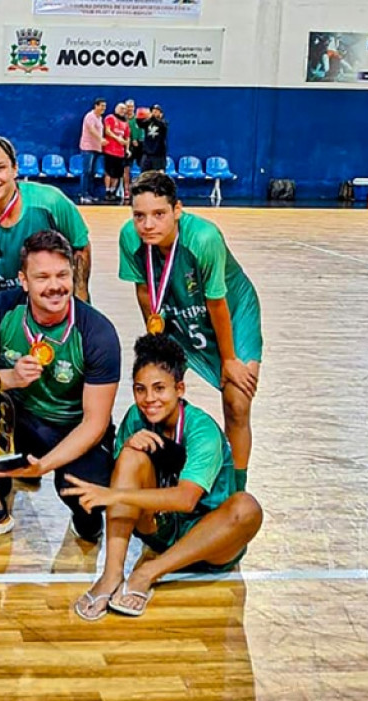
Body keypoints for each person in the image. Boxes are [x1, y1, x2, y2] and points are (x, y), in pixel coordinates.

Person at [0, 231, 120, 550]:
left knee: (86, 497)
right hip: (20, 420)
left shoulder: (98, 333)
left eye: (62, 275)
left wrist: (44, 466)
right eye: (42, 277)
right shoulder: (2, 308)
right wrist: (10, 378)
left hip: (72, 430)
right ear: (23, 280)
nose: (55, 286)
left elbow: (95, 423)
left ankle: (86, 520)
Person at [67, 334, 263, 620]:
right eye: (140, 389)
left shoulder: (202, 430)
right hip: (158, 530)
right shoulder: (136, 417)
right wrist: (130, 451)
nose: (149, 399)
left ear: (180, 388)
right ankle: (111, 576)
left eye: (159, 388)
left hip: (209, 543)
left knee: (247, 508)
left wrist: (113, 495)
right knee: (131, 455)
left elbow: (186, 499)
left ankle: (146, 574)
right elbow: (125, 476)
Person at [120, 171, 262, 491]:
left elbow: (217, 304)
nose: (148, 225)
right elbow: (144, 290)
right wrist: (156, 340)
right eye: (139, 216)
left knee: (237, 401)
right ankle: (163, 470)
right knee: (160, 383)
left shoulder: (204, 238)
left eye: (158, 214)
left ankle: (235, 490)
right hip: (174, 305)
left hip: (232, 309)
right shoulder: (130, 238)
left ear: (177, 210)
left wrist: (228, 361)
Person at [0, 134, 91, 308]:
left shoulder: (51, 201)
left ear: (15, 169)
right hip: (7, 302)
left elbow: (81, 247)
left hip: (54, 297)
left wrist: (81, 302)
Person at [78, 98, 106, 204]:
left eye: (105, 106)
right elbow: (91, 130)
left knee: (92, 173)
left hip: (96, 149)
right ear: (96, 106)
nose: (104, 108)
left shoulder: (100, 118)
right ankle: (83, 194)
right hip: (87, 148)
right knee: (86, 172)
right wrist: (101, 139)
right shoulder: (90, 116)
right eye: (102, 106)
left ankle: (90, 194)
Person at [103, 102, 130, 202]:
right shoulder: (110, 118)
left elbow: (127, 137)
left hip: (120, 153)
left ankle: (113, 191)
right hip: (110, 150)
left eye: (124, 109)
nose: (122, 111)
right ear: (116, 109)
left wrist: (127, 149)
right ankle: (107, 191)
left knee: (117, 174)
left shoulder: (125, 123)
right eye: (121, 109)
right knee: (108, 172)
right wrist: (117, 139)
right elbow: (107, 131)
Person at [138, 105, 168, 172]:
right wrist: (139, 115)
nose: (154, 112)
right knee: (144, 174)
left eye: (156, 111)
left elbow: (161, 125)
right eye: (153, 111)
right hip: (147, 154)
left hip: (158, 154)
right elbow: (140, 124)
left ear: (161, 114)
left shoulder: (164, 122)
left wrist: (152, 117)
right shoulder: (148, 122)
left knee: (159, 174)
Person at [125, 99, 144, 200]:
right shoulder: (123, 119)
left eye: (131, 107)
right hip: (128, 147)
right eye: (128, 107)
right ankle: (126, 191)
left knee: (143, 168)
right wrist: (131, 140)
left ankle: (141, 189)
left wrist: (138, 140)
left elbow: (142, 131)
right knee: (126, 169)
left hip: (139, 146)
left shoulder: (138, 119)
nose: (130, 109)